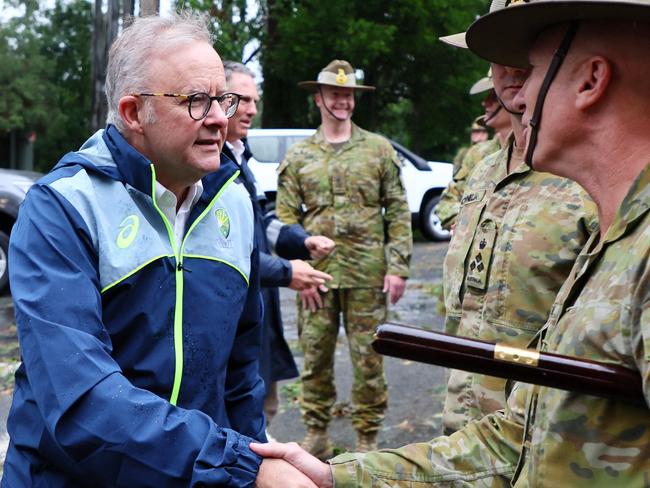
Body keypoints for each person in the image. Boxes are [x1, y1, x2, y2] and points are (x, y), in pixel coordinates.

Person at [251, 0, 650, 486]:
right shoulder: (616, 242)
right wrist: (338, 476)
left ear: (591, 80)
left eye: (533, 70)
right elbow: (519, 439)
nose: (514, 97)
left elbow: (398, 211)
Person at [1, 14, 318, 487]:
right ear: (133, 113)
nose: (220, 118)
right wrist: (244, 468)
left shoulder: (234, 198)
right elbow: (81, 400)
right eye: (196, 100)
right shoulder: (63, 207)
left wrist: (255, 458)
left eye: (223, 99)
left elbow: (240, 371)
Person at [438, 1, 598, 434]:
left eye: (528, 49)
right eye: (499, 52)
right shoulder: (486, 168)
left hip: (547, 439)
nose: (512, 67)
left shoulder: (595, 176)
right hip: (464, 432)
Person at [275, 59, 413, 458]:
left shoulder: (377, 149)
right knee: (315, 356)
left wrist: (399, 266)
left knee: (369, 359)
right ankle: (316, 432)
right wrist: (298, 267)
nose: (343, 101)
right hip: (317, 277)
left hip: (368, 274)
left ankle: (367, 436)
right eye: (335, 94)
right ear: (319, 98)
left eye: (349, 94)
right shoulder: (300, 155)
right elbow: (285, 219)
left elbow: (398, 210)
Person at [221, 60, 334, 432]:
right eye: (242, 99)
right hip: (228, 321)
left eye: (255, 100)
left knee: (262, 407)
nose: (252, 109)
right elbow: (223, 253)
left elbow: (260, 223)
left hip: (256, 314)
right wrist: (286, 272)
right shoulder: (208, 163)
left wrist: (301, 242)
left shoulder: (238, 156)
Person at [434, 69, 511, 230]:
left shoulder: (539, 155)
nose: (485, 103)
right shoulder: (478, 154)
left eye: (494, 96)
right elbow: (447, 201)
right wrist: (466, 222)